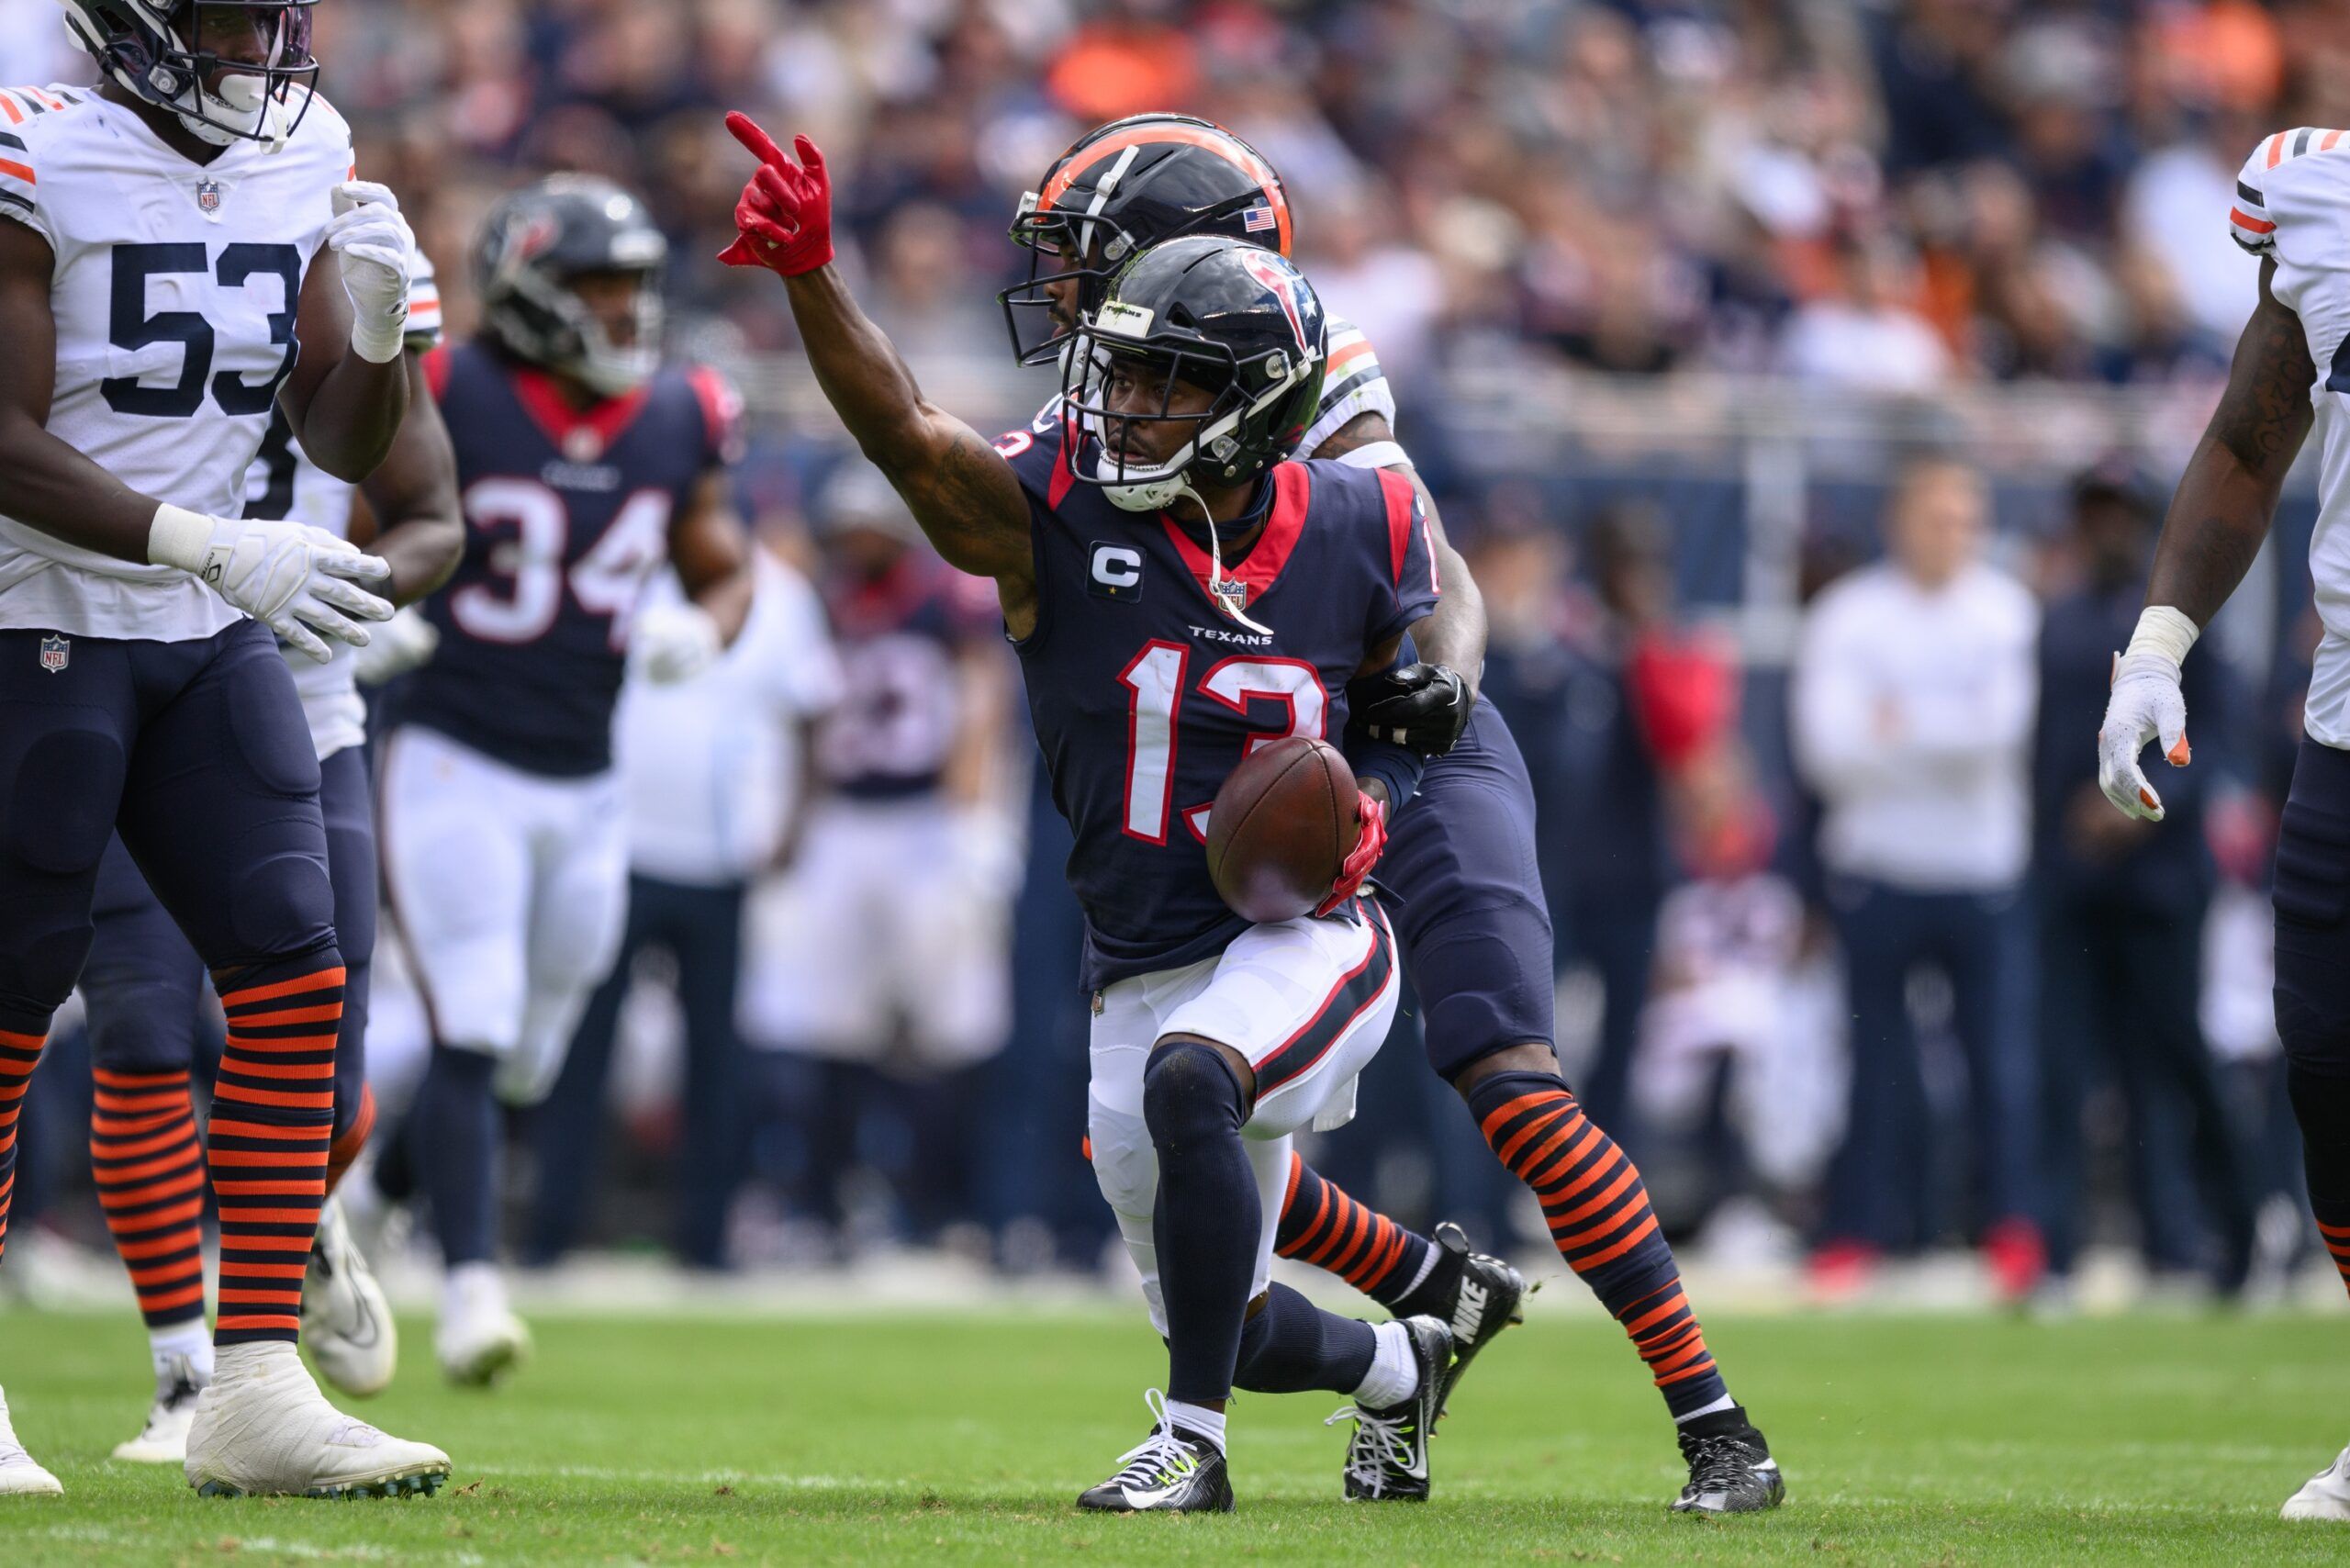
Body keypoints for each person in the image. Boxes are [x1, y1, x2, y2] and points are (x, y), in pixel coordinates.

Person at [998, 113, 1779, 1513]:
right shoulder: (1109, 398)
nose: (1059, 293)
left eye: (1081, 258)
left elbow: (1435, 569)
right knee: (1184, 1110)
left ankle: (1714, 1419)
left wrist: (1437, 693)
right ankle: (1427, 1292)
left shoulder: (1298, 359)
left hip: (1386, 743)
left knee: (1504, 1074)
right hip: (1252, 753)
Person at [725, 113, 1453, 1511]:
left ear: (1250, 405)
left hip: (1315, 933)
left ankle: (1191, 1453)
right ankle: (1401, 1366)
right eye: (1120, 375)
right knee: (1225, 1319)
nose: (1123, 407)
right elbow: (908, 441)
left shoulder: (1362, 521)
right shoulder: (1056, 508)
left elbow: (1402, 713)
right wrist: (812, 279)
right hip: (1143, 955)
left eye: (1166, 386)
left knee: (1197, 1075)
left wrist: (1378, 796)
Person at [0, 0, 448, 1498]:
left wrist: (376, 333)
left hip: (200, 625)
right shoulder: (32, 135)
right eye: (219, 14)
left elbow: (341, 437)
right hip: (30, 614)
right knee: (14, 994)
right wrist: (202, 539)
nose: (252, 45)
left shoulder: (305, 144)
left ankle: (252, 1381)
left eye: (269, 15)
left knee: (294, 972)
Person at [86, 227, 459, 1467]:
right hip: (130, 673)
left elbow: (431, 517)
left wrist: (360, 593)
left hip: (304, 708)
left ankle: (297, 1227)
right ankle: (188, 1374)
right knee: (140, 1028)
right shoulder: (106, 239)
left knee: (324, 1063)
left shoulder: (343, 239)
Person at [376, 174, 755, 1385]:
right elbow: (349, 510)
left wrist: (711, 625)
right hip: (455, 754)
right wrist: (366, 606)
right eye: (599, 287)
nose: (625, 313)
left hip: (588, 780)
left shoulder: (678, 412)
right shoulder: (449, 387)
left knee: (527, 1054)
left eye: (635, 288)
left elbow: (721, 563)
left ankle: (371, 1195)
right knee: (477, 1024)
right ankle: (472, 1290)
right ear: (534, 293)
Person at [2096, 124, 2350, 1522]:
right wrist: (2156, 648)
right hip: (2346, 720)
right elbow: (2250, 441)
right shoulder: (2314, 190)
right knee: (2323, 1066)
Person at [525, 534, 841, 1271]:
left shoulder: (781, 595)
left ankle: (705, 1240)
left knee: (717, 1059)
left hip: (722, 855)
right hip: (617, 843)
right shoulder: (621, 564)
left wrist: (794, 824)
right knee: (582, 1044)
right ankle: (552, 1228)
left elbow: (814, 710)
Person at [735, 464, 1013, 1250]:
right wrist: (792, 821)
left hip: (927, 819)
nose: (856, 543)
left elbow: (980, 694)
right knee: (823, 1022)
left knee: (954, 1023)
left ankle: (947, 1206)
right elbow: (804, 720)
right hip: (843, 821)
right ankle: (824, 1205)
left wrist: (974, 808)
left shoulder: (941, 596)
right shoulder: (820, 602)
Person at [1793, 454, 2044, 1301]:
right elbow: (1829, 751)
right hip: (1877, 869)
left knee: (1998, 1065)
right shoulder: (1849, 616)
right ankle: (1860, 1231)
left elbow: (2001, 734)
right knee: (1873, 1064)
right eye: (1940, 516)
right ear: (1899, 520)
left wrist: (1895, 727)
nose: (1956, 536)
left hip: (1981, 870)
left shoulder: (2005, 612)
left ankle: (2012, 1233)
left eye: (1967, 519)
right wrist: (1940, 735)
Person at [2036, 464, 2253, 1300]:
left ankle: (2225, 1238)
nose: (2109, 532)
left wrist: (2135, 809)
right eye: (2095, 515)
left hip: (2160, 880)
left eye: (2122, 515)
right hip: (2076, 884)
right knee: (2062, 1066)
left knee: (2177, 1061)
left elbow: (2219, 746)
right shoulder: (2057, 624)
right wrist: (2059, 839)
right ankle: (2056, 1250)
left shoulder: (2188, 630)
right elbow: (2046, 750)